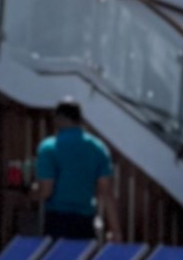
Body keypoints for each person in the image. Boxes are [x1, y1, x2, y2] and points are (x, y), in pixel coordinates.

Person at [33, 98, 120, 240]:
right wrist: (115, 230)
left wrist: (30, 193)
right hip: (85, 222)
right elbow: (107, 192)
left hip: (57, 221)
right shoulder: (98, 148)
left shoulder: (49, 148)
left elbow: (46, 191)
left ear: (58, 119)